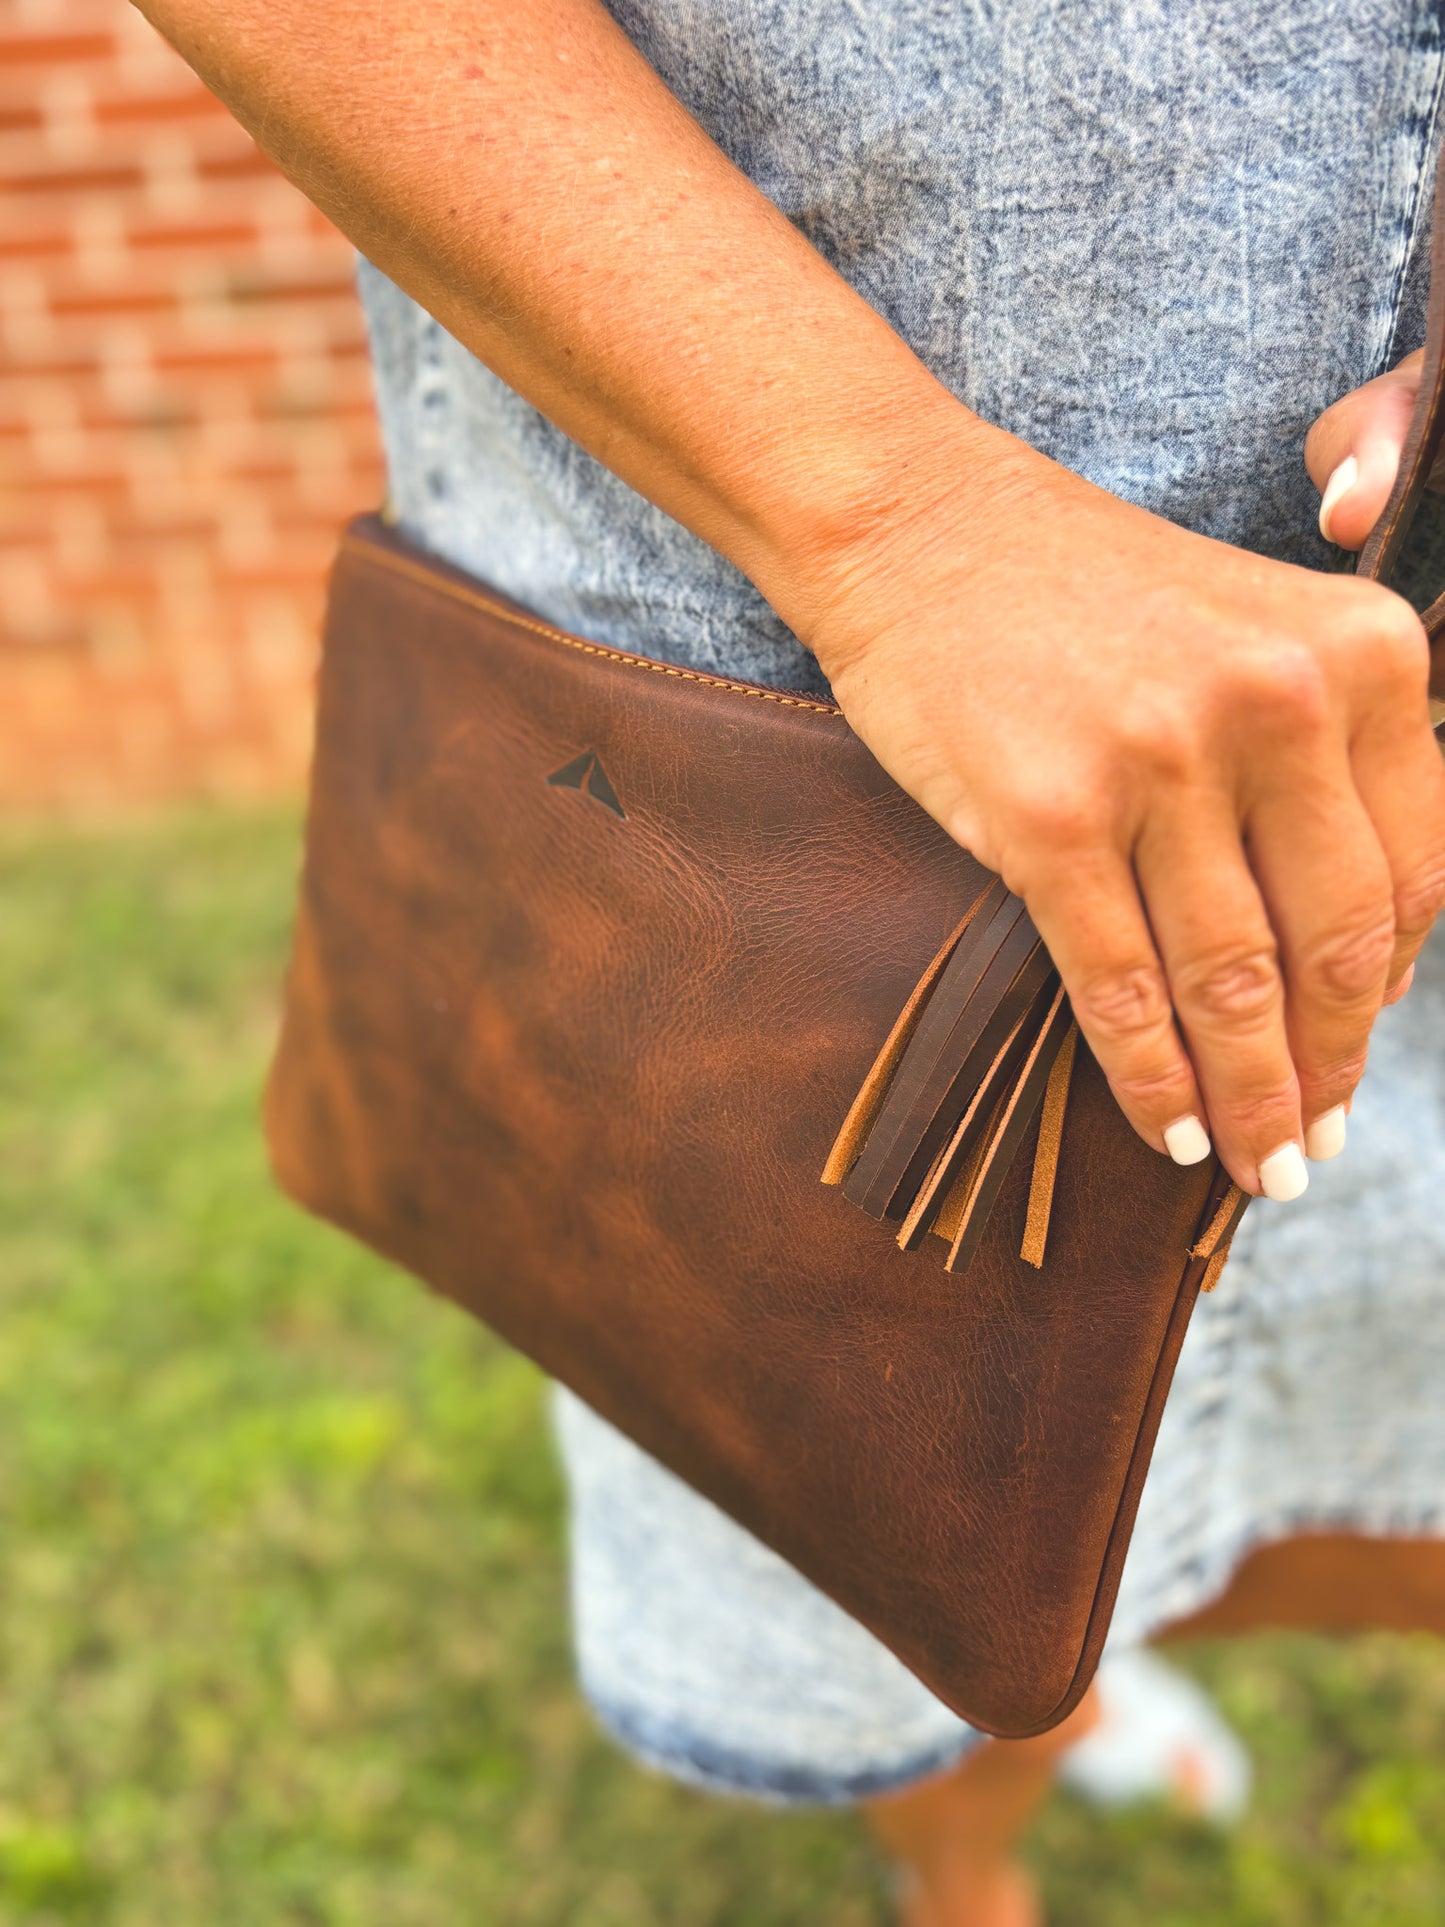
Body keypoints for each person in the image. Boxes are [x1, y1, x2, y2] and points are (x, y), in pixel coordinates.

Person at [134, 0, 1445, 1919]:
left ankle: (1060, 1681)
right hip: (750, 566)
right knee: (863, 1513)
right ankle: (967, 1858)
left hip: (1376, 711)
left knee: (1304, 1421)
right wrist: (899, 529)